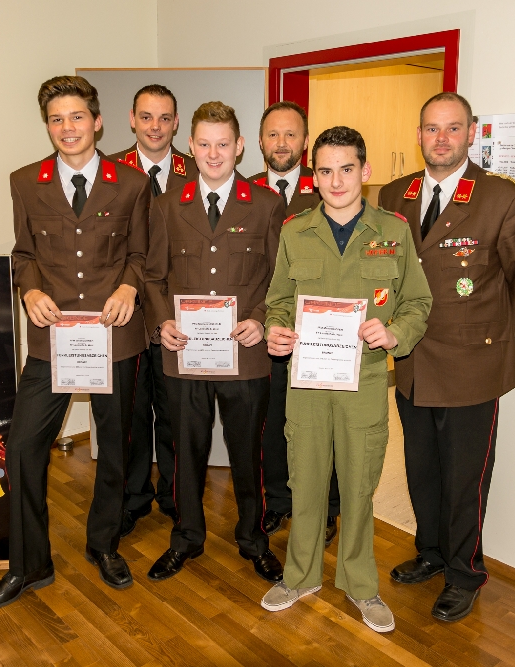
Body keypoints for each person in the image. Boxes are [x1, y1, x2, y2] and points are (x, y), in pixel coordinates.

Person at [0, 75, 151, 610]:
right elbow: (23, 254)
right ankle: (29, 566)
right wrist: (28, 290)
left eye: (77, 117)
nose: (67, 128)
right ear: (47, 126)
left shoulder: (132, 183)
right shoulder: (26, 181)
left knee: (115, 447)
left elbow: (142, 254)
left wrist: (129, 286)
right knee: (22, 446)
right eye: (56, 119)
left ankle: (104, 544)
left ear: (97, 121)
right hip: (53, 340)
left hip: (114, 337)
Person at [378, 92, 515, 622]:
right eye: (432, 128)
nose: (442, 139)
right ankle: (431, 552)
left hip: (472, 365)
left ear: (471, 133)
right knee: (422, 469)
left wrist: (492, 334)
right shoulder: (395, 194)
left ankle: (464, 572)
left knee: (464, 478)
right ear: (419, 135)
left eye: (453, 128)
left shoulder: (502, 198)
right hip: (413, 362)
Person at [261, 126, 432, 633]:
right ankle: (300, 575)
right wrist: (275, 330)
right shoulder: (295, 231)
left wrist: (394, 332)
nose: (336, 181)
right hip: (307, 381)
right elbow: (278, 301)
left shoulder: (394, 232)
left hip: (364, 381)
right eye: (326, 171)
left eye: (347, 169)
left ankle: (361, 585)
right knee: (305, 480)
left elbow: (418, 301)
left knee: (358, 486)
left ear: (365, 171)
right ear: (314, 177)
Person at [143, 101, 284, 583]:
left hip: (245, 354)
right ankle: (186, 537)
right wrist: (162, 322)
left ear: (240, 146)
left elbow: (281, 277)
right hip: (185, 354)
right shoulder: (167, 205)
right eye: (204, 144)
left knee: (249, 455)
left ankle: (254, 540)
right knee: (184, 452)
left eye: (223, 144)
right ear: (190, 146)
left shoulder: (266, 204)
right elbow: (153, 277)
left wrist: (262, 318)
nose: (214, 153)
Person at [107, 84, 198, 536]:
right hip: (124, 317)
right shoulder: (108, 173)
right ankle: (133, 496)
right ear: (132, 119)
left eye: (164, 118)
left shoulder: (197, 171)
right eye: (146, 117)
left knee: (176, 412)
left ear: (176, 122)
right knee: (130, 414)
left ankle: (177, 497)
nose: (155, 127)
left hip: (176, 317)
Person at [248, 101, 339, 545]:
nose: (281, 143)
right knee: (270, 423)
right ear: (259, 141)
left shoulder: (327, 187)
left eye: (290, 134)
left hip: (317, 333)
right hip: (264, 332)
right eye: (273, 134)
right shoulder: (243, 191)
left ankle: (325, 506)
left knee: (321, 426)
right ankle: (278, 501)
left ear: (305, 141)